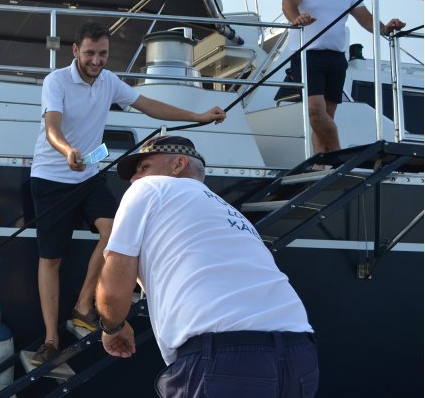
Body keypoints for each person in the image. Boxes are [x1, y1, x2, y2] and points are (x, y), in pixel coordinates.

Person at [29, 22, 226, 365]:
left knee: (113, 230)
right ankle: (50, 340)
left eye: (102, 54)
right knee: (51, 259)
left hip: (88, 176)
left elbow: (149, 105)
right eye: (89, 53)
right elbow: (52, 127)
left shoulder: (108, 82)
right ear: (75, 50)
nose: (96, 60)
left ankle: (82, 306)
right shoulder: (56, 81)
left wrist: (198, 117)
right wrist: (67, 151)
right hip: (51, 177)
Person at [96, 135, 318, 397]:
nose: (134, 178)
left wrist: (112, 327)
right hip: (299, 353)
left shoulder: (150, 188)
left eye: (143, 167)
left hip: (224, 359)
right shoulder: (230, 212)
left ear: (178, 164)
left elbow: (113, 286)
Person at [280, 0, 405, 156]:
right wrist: (296, 18)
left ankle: (321, 161)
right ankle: (338, 155)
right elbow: (288, 3)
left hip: (336, 57)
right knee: (315, 112)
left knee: (327, 115)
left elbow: (365, 19)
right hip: (308, 53)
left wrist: (386, 28)